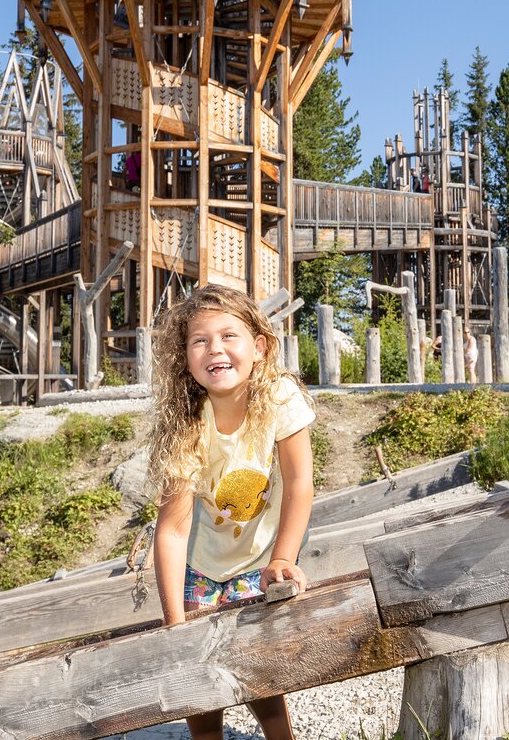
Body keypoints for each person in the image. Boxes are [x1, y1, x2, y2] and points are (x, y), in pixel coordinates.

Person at [148, 284, 315, 740]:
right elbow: (172, 531)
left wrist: (283, 558)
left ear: (259, 347)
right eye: (200, 341)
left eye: (228, 336)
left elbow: (300, 484)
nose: (214, 349)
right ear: (185, 357)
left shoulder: (278, 398)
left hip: (256, 560)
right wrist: (173, 623)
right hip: (200, 567)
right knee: (199, 679)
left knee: (257, 670)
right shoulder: (186, 422)